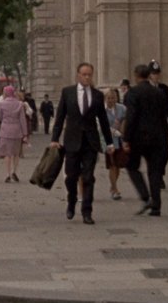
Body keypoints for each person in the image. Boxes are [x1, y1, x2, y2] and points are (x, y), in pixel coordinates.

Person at [49, 62, 114, 225]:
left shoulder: (98, 95)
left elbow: (104, 121)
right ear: (78, 75)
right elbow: (60, 118)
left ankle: (87, 211)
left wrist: (109, 143)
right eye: (84, 74)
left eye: (89, 74)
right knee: (71, 177)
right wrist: (55, 139)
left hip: (90, 143)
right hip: (72, 141)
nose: (87, 77)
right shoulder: (68, 93)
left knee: (88, 177)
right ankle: (71, 201)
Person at [123, 65, 168, 217]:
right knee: (154, 171)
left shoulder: (133, 93)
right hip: (157, 137)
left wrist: (126, 139)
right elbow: (164, 118)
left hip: (138, 138)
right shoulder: (159, 92)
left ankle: (145, 196)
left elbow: (131, 117)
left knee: (131, 166)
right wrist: (165, 138)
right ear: (149, 75)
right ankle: (156, 205)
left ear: (136, 76)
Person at [148, 60, 168, 189]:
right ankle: (156, 177)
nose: (156, 76)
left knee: (166, 150)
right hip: (149, 125)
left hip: (162, 124)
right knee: (153, 152)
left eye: (157, 73)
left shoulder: (164, 88)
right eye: (153, 73)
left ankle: (160, 173)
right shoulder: (145, 88)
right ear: (149, 74)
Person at [0, 86, 28, 183]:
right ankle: (14, 171)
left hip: (5, 130)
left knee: (7, 154)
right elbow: (22, 120)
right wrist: (25, 133)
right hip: (17, 130)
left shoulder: (2, 104)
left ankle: (7, 174)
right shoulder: (19, 104)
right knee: (16, 153)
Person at [104, 88, 126, 200]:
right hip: (108, 142)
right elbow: (100, 126)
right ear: (105, 99)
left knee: (118, 166)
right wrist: (113, 130)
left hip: (120, 141)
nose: (111, 100)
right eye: (108, 98)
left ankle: (112, 186)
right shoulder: (102, 111)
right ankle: (115, 189)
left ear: (116, 98)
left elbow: (128, 119)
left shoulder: (122, 108)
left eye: (113, 98)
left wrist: (122, 126)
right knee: (112, 166)